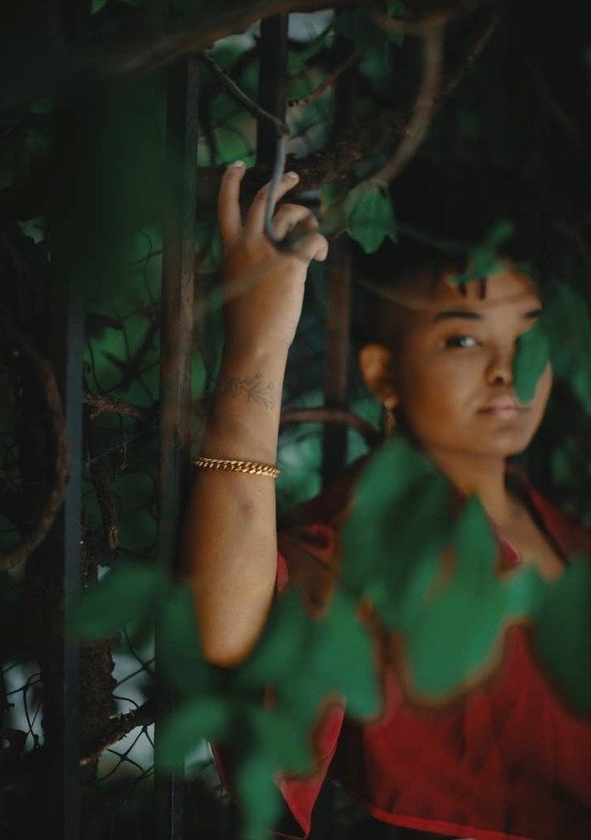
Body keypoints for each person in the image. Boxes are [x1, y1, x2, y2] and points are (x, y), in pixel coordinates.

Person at [183, 161, 591, 840]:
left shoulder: (564, 532)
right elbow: (232, 635)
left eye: (527, 338)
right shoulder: (365, 541)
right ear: (382, 371)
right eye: (462, 338)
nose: (506, 370)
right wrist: (259, 339)